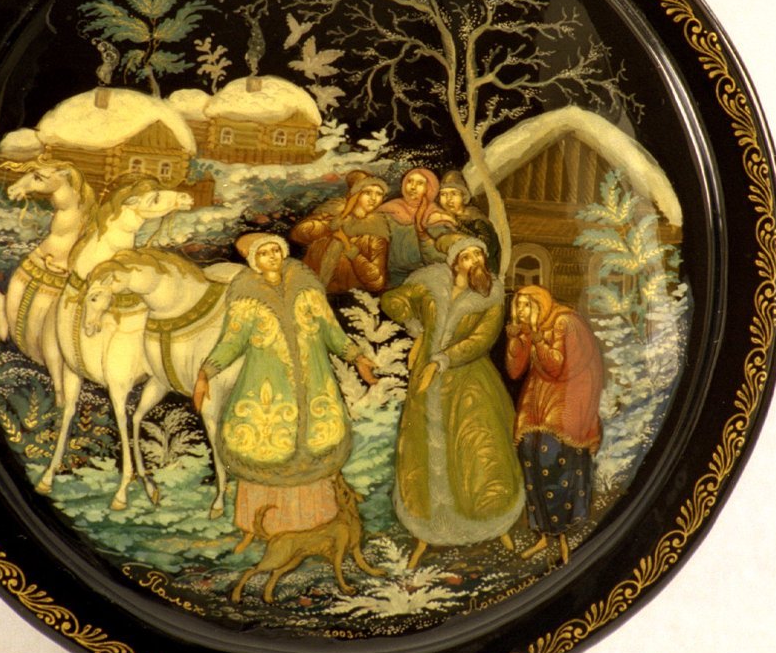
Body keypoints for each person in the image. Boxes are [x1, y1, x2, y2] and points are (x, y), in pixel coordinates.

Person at [193, 233, 377, 551]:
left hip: (314, 385)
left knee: (317, 446)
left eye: (275, 250)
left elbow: (331, 330)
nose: (272, 256)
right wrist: (206, 373)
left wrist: (357, 357)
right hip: (266, 391)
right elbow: (232, 341)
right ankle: (259, 527)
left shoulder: (307, 288)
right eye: (264, 253)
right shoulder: (246, 296)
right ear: (253, 261)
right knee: (265, 451)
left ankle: (316, 526)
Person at [380, 237, 524, 569]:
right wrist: (417, 328)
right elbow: (392, 300)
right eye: (468, 256)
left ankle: (493, 522)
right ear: (455, 263)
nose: (476, 261)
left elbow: (481, 340)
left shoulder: (490, 295)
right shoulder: (430, 285)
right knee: (425, 450)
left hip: (469, 381)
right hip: (426, 385)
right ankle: (429, 529)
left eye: (479, 255)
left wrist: (441, 360)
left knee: (479, 449)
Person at [505, 285, 604, 565]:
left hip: (568, 400)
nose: (521, 311)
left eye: (526, 305)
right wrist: (516, 340)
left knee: (556, 460)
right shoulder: (533, 326)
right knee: (530, 455)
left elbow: (558, 367)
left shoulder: (564, 322)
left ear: (540, 304)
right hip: (538, 398)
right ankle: (542, 534)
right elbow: (515, 371)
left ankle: (564, 538)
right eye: (518, 306)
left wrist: (537, 340)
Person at [289, 170, 390, 294]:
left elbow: (377, 281)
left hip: (345, 295)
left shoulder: (376, 230)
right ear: (355, 194)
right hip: (309, 287)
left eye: (379, 194)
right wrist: (336, 221)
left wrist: (350, 249)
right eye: (367, 192)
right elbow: (298, 234)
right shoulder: (332, 212)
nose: (373, 199)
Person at [376, 167, 454, 287]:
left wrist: (422, 232)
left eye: (420, 183)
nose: (412, 187)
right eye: (409, 181)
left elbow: (442, 257)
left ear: (429, 188)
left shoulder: (436, 216)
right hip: (391, 277)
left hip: (427, 277)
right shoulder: (388, 210)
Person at [434, 169, 502, 276]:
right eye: (443, 194)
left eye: (454, 194)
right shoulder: (441, 218)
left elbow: (485, 246)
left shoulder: (475, 219)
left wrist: (457, 225)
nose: (448, 199)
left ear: (464, 197)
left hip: (482, 271)